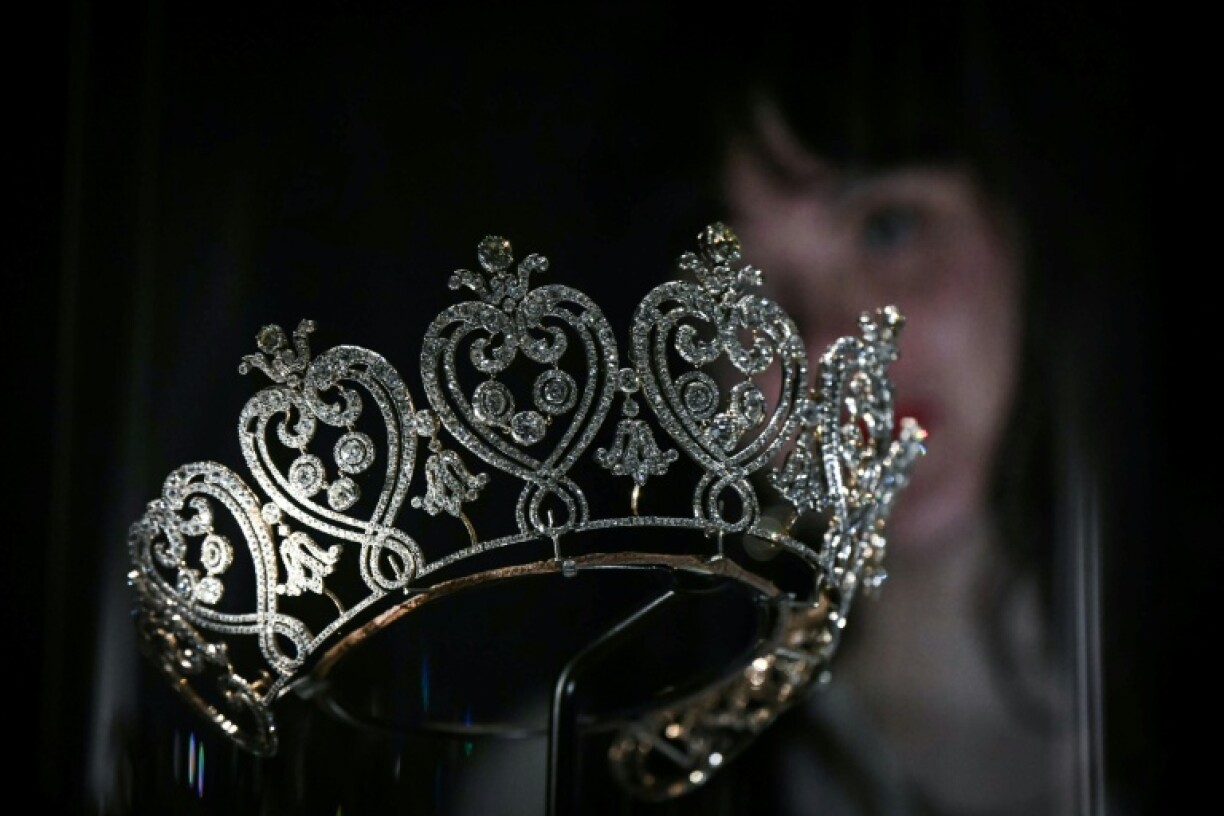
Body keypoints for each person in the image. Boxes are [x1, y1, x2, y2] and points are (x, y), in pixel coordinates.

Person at [652, 5, 1149, 815]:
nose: (817, 350)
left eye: (887, 229)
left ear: (1037, 222)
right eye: (740, 299)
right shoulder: (575, 780)